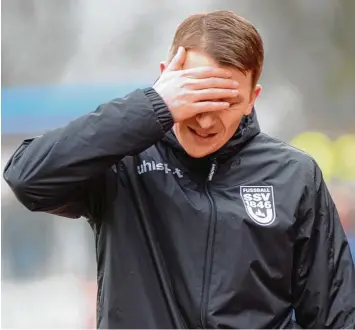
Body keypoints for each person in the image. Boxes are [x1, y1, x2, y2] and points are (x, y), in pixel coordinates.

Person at [4, 10, 355, 329]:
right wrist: (152, 105)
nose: (204, 118)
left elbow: (335, 314)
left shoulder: (295, 175)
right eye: (194, 94)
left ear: (252, 99)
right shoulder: (125, 161)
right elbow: (27, 178)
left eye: (225, 101)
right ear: (166, 79)